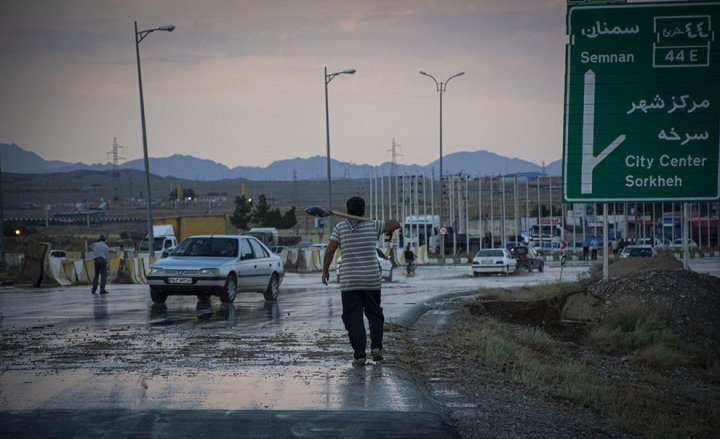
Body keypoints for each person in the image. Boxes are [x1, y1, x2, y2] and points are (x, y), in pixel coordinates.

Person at [322, 197, 401, 367]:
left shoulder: (340, 228)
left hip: (350, 282)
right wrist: (387, 229)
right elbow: (396, 223)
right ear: (363, 211)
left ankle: (359, 356)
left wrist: (325, 271)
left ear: (347, 210)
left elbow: (329, 252)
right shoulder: (373, 225)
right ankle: (377, 347)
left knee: (353, 318)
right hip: (371, 280)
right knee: (375, 314)